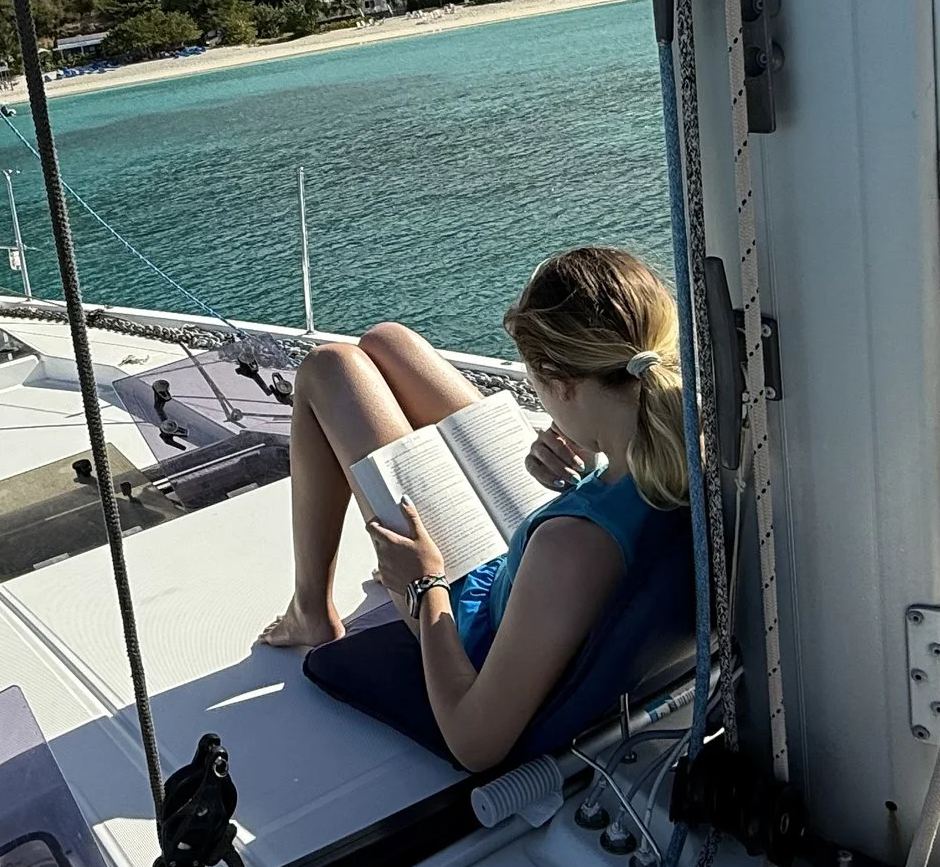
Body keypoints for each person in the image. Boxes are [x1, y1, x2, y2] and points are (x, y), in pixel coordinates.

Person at [259, 246, 695, 772]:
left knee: (330, 368)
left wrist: (423, 583)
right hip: (534, 572)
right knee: (389, 342)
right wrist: (592, 470)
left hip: (471, 626)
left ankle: (311, 611)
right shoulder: (681, 450)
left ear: (561, 383)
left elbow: (475, 743)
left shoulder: (572, 548)